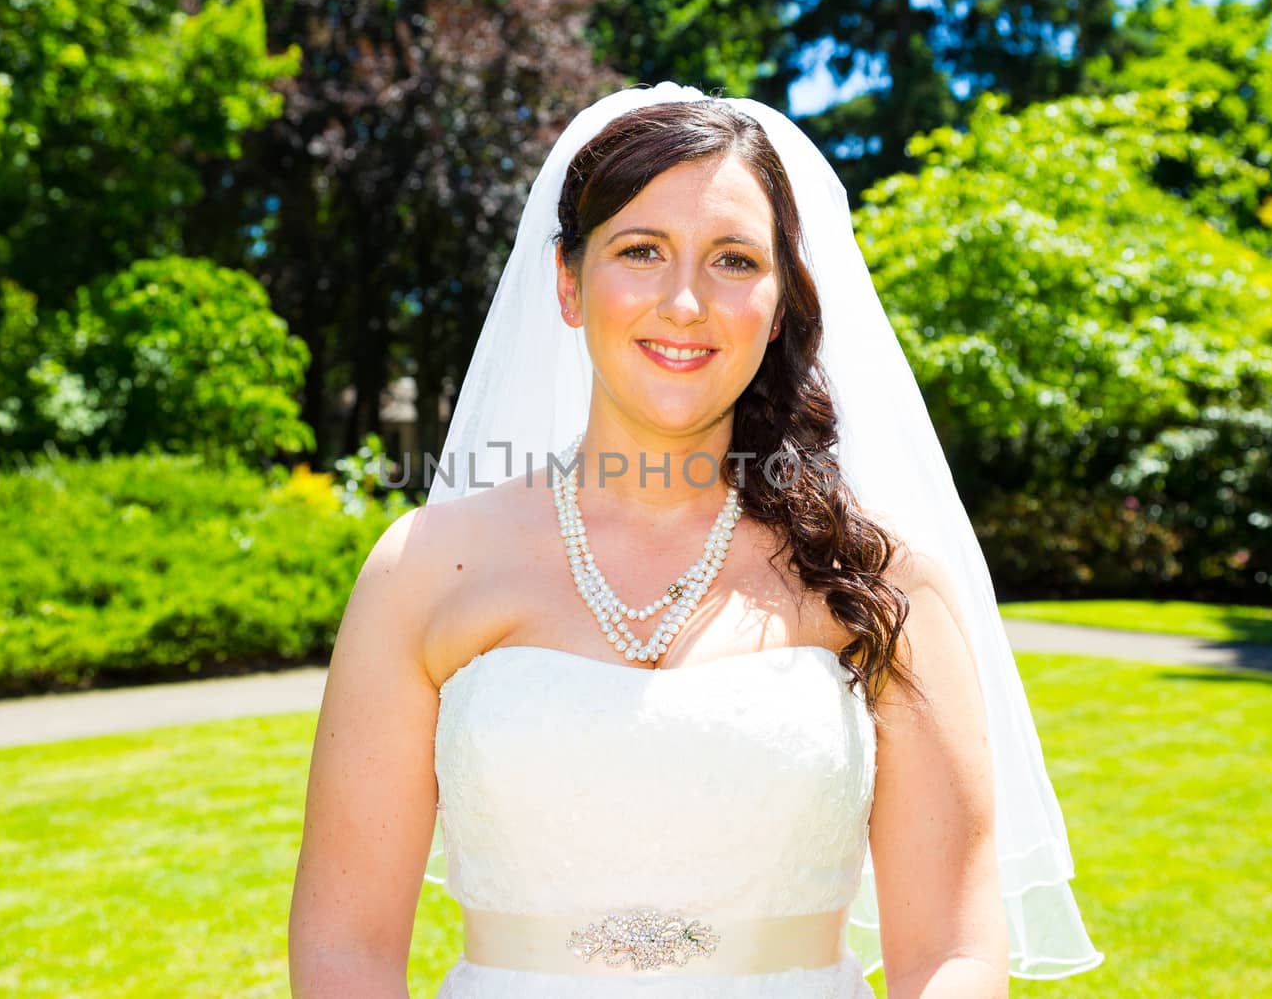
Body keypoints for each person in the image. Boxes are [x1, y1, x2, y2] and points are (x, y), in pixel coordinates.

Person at [288, 83, 1103, 998]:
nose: (684, 302)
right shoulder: (424, 570)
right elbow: (343, 949)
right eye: (641, 250)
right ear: (567, 280)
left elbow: (952, 950)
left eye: (733, 260)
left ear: (783, 299)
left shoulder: (882, 581)